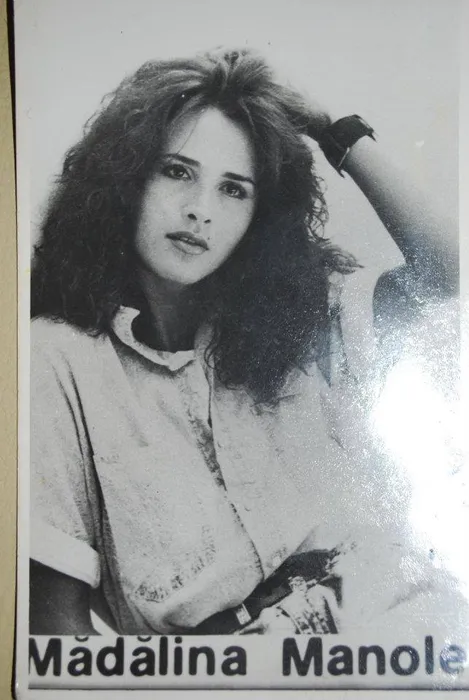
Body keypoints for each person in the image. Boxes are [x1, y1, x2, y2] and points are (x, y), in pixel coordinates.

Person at [29, 48, 464, 636]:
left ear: (260, 213)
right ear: (124, 180)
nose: (199, 211)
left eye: (234, 189)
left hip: (390, 616)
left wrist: (335, 132)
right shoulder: (57, 361)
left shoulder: (295, 313)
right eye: (176, 171)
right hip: (225, 666)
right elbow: (58, 639)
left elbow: (449, 271)